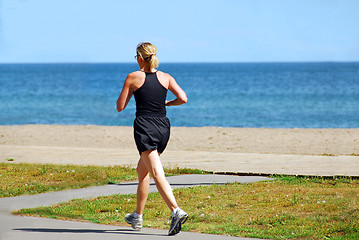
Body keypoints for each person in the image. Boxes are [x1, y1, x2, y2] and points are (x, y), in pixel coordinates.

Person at [116, 42, 188, 236]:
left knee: (156, 172)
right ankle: (137, 216)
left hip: (145, 127)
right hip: (163, 127)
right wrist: (167, 103)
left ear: (139, 57)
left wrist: (131, 90)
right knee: (143, 172)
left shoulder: (133, 77)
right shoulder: (166, 77)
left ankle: (176, 210)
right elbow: (183, 98)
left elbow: (120, 106)